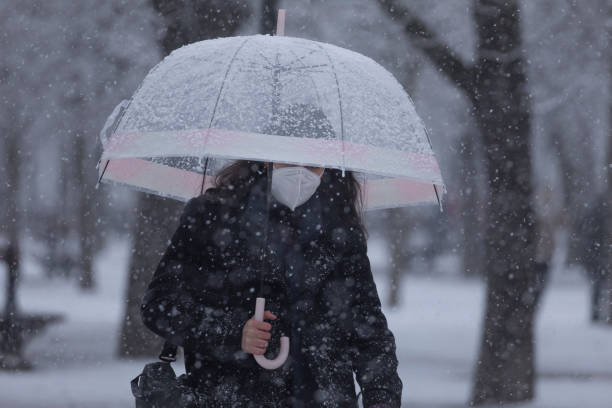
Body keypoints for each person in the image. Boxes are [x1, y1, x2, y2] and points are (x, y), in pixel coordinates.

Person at [140, 105, 402, 407]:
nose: (301, 170)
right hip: (228, 397)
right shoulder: (210, 217)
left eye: (315, 162)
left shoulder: (339, 232)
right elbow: (160, 306)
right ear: (264, 158)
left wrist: (381, 399)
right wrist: (234, 333)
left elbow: (369, 333)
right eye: (289, 156)